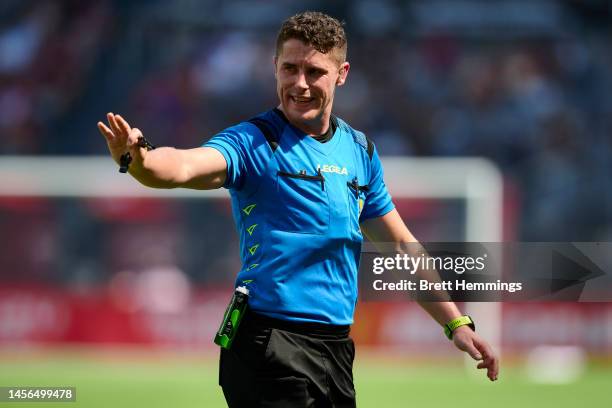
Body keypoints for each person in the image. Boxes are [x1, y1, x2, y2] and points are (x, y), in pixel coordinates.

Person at [98, 11, 499, 408]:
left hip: (336, 349)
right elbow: (183, 167)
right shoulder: (254, 142)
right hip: (268, 345)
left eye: (314, 72)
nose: (300, 84)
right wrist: (140, 158)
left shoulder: (361, 152)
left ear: (341, 74)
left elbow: (400, 246)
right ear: (274, 67)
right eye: (289, 69)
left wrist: (455, 322)